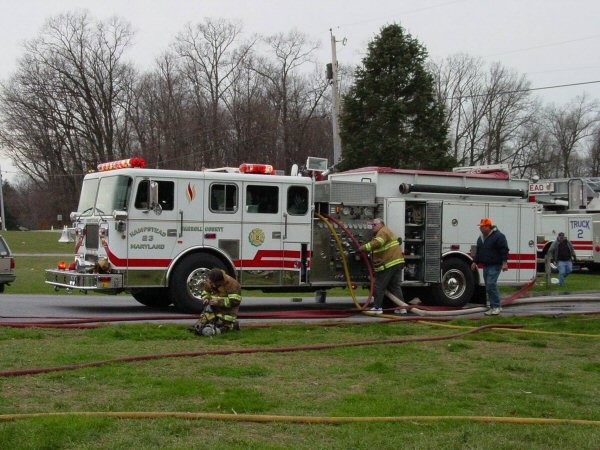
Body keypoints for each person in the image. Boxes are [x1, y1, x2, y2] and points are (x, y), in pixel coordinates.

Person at [358, 218, 406, 314]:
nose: (372, 226)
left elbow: (377, 243)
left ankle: (377, 308)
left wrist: (362, 248)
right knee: (395, 286)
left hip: (388, 264)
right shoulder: (386, 231)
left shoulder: (382, 231)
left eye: (374, 224)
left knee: (379, 286)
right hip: (396, 263)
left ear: (381, 224)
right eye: (372, 225)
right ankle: (401, 308)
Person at [470, 218, 509, 316]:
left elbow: (504, 250)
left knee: (491, 284)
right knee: (488, 286)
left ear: (488, 226)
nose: (481, 229)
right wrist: (475, 262)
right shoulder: (481, 238)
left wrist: (504, 263)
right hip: (486, 265)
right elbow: (479, 251)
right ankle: (492, 307)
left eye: (482, 227)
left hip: (495, 265)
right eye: (480, 227)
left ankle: (496, 306)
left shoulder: (499, 236)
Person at [192, 268, 242, 336]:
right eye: (211, 282)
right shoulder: (211, 280)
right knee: (201, 324)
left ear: (221, 280)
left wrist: (218, 302)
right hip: (213, 308)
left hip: (227, 311)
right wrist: (206, 298)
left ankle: (233, 325)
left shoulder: (233, 284)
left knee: (220, 328)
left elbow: (235, 301)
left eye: (215, 283)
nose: (212, 285)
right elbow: (206, 291)